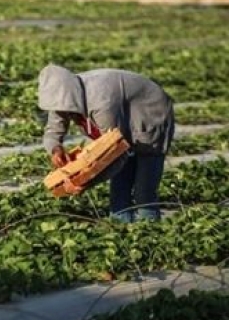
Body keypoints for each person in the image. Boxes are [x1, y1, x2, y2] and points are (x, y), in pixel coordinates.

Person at [37, 64, 175, 222]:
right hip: (123, 118)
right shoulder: (61, 98)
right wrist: (56, 149)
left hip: (150, 114)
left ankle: (151, 233)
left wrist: (85, 182)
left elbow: (115, 153)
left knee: (144, 192)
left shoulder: (102, 102)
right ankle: (121, 233)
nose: (60, 110)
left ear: (69, 94)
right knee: (119, 190)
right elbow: (53, 131)